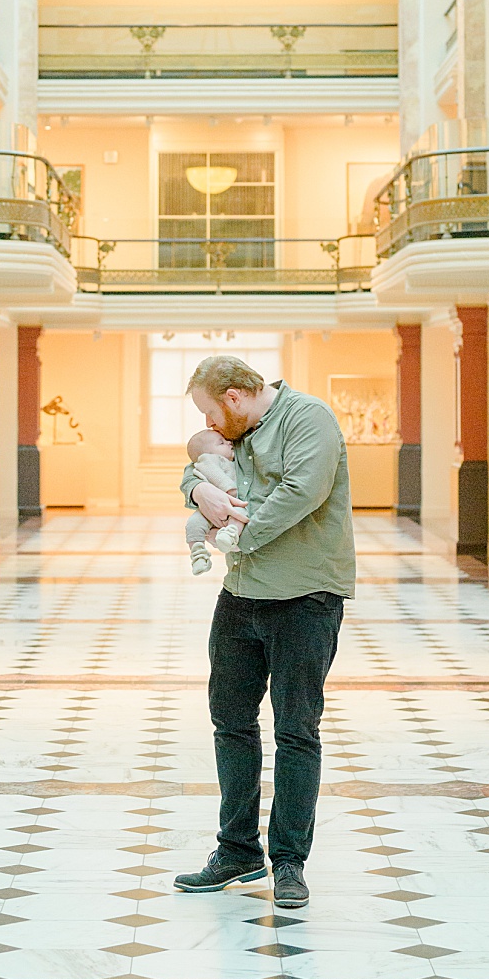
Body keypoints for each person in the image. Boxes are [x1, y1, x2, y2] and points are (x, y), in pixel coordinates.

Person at [170, 354, 353, 912]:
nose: (207, 424)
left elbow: (302, 493)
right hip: (242, 597)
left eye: (209, 411)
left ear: (233, 397)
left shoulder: (308, 418)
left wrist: (235, 536)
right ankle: (237, 851)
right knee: (230, 721)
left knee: (297, 730)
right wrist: (197, 494)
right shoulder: (235, 431)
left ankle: (290, 862)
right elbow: (199, 467)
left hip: (305, 598)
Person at [180, 426, 242, 576]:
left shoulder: (232, 460)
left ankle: (229, 535)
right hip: (215, 506)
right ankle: (198, 553)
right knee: (194, 523)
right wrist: (230, 490)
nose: (228, 443)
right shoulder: (209, 459)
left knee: (240, 515)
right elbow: (214, 474)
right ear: (206, 453)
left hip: (232, 506)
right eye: (221, 443)